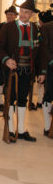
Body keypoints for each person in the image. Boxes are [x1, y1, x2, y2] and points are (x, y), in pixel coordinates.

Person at [0, 0, 42, 142]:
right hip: (12, 70)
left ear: (32, 14)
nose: (23, 14)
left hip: (27, 70)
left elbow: (38, 52)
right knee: (10, 99)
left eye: (26, 12)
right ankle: (9, 129)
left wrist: (40, 72)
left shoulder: (35, 28)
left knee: (23, 99)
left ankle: (21, 130)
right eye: (21, 11)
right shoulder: (8, 27)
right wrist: (7, 60)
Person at [0, 5, 18, 112]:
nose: (10, 16)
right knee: (1, 80)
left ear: (16, 16)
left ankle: (10, 101)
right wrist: (3, 56)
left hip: (15, 60)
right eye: (8, 14)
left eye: (12, 14)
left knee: (12, 81)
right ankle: (0, 102)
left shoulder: (18, 27)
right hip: (1, 59)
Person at [39, 9, 53, 137]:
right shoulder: (47, 28)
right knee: (48, 96)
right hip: (51, 67)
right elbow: (44, 48)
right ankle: (48, 127)